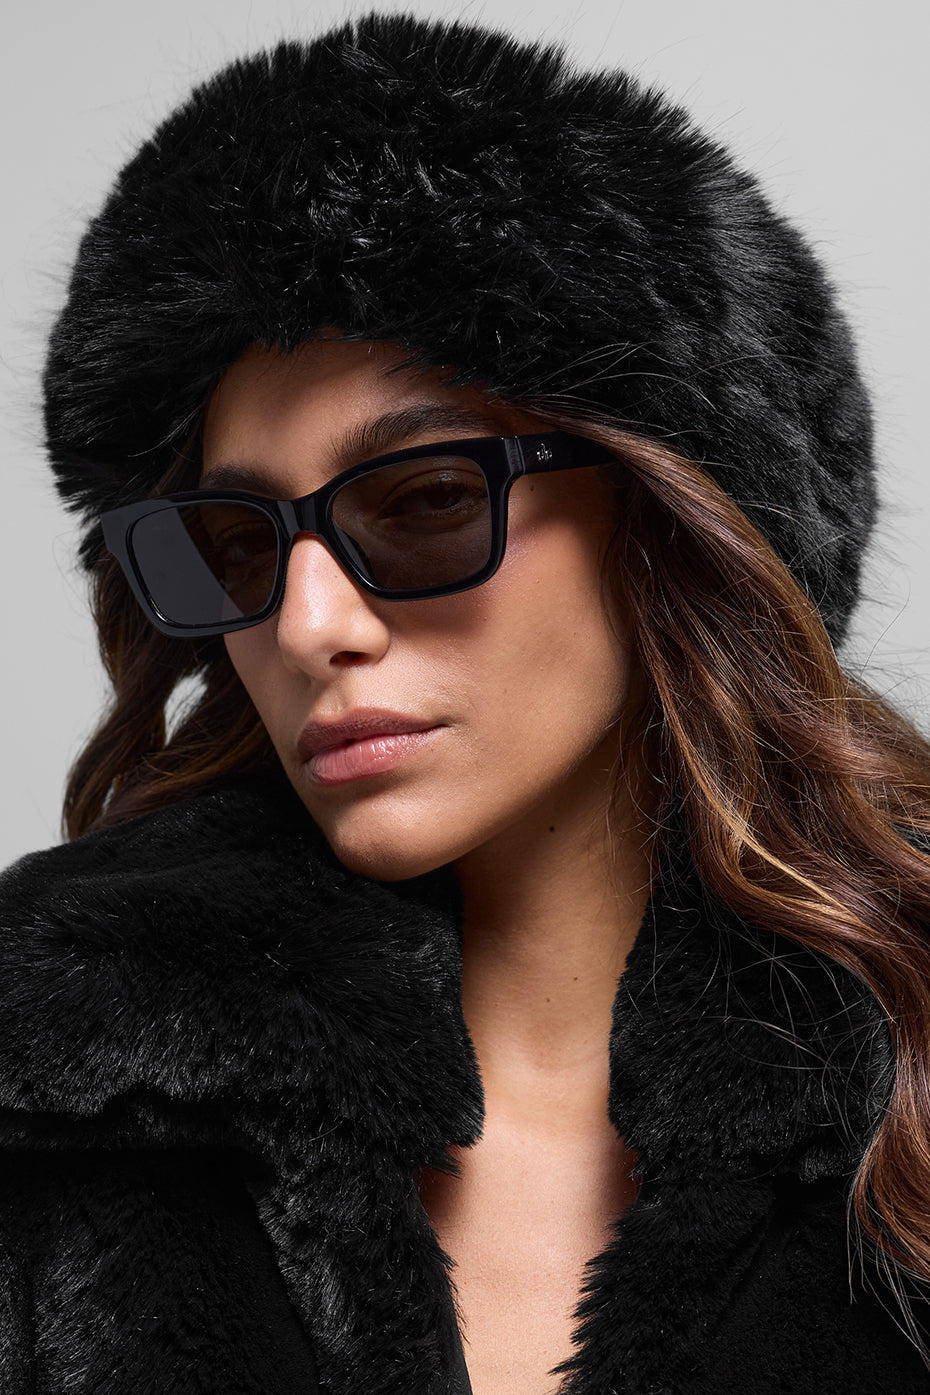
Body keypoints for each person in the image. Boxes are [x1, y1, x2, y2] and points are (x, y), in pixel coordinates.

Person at [1, 10, 929, 1394]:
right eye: (239, 545)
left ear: (667, 520)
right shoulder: (54, 1094)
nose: (308, 626)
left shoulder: (903, 1089)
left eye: (428, 498)